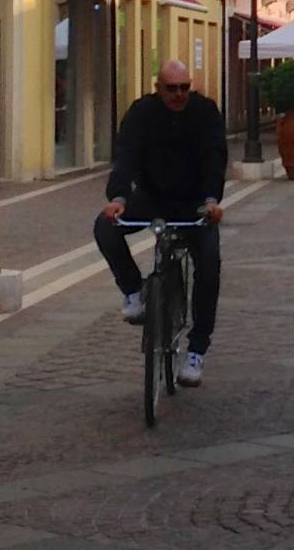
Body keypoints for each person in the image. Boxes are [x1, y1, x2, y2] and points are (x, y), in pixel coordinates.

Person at [94, 61, 227, 385]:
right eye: (172, 88)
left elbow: (214, 157)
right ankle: (134, 291)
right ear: (159, 88)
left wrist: (211, 200)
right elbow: (126, 156)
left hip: (194, 204)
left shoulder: (205, 112)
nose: (179, 95)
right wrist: (119, 198)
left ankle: (196, 351)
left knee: (209, 267)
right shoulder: (142, 113)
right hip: (153, 198)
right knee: (105, 227)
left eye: (185, 87)